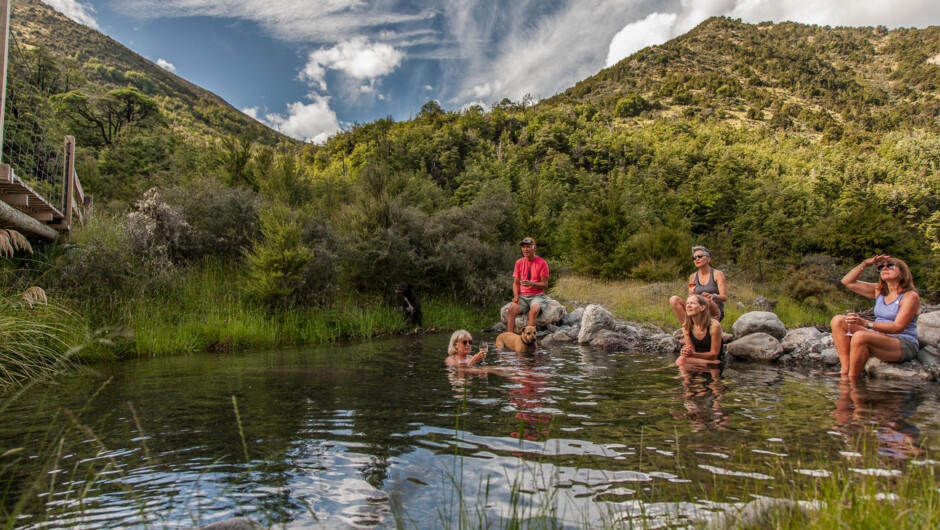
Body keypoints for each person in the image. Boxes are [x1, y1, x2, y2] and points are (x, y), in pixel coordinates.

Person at [829, 255, 920, 378]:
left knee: (861, 336)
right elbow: (847, 281)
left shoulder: (910, 296)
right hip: (879, 337)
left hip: (903, 343)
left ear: (902, 273)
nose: (885, 268)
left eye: (890, 266)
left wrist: (866, 324)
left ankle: (850, 380)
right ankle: (845, 369)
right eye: (881, 267)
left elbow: (898, 327)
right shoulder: (879, 290)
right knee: (838, 320)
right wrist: (865, 263)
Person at [669, 246, 727, 326]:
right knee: (674, 299)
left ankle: (713, 328)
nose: (697, 259)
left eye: (700, 256)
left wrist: (713, 296)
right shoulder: (692, 277)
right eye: (694, 257)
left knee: (707, 300)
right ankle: (687, 329)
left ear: (708, 259)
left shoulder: (718, 274)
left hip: (714, 310)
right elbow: (690, 295)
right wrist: (693, 296)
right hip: (697, 309)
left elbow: (724, 297)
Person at [506, 237, 550, 334]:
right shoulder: (519, 263)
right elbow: (516, 282)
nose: (525, 249)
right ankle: (509, 337)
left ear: (534, 248)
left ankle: (528, 339)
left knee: (533, 311)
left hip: (538, 296)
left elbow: (545, 285)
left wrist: (532, 283)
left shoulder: (542, 263)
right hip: (523, 297)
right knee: (511, 310)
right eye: (524, 247)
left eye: (528, 247)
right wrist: (516, 296)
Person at [678, 294, 725, 367]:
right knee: (682, 360)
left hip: (715, 361)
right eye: (687, 303)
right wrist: (686, 352)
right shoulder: (686, 326)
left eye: (692, 303)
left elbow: (714, 355)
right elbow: (691, 351)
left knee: (681, 360)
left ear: (702, 308)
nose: (688, 305)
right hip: (698, 359)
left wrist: (692, 354)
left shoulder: (714, 326)